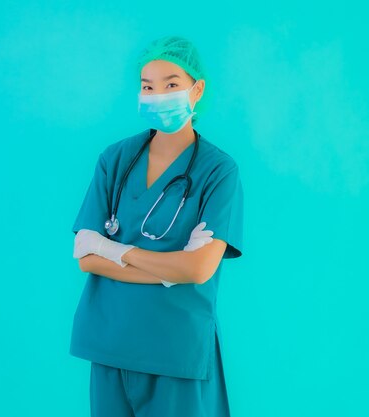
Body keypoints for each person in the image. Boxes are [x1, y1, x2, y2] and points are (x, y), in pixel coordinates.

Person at [70, 35, 244, 417]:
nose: (157, 94)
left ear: (196, 89)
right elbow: (85, 257)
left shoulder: (218, 171)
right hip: (110, 341)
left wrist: (112, 249)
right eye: (147, 86)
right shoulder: (115, 159)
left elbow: (197, 269)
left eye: (171, 84)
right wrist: (168, 269)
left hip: (175, 348)